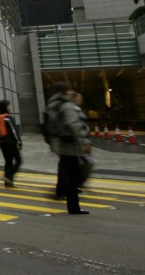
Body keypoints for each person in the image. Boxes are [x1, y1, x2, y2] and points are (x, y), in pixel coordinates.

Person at [44, 82, 91, 215]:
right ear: (65, 92)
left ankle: (66, 197)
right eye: (70, 90)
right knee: (75, 175)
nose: (72, 92)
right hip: (70, 145)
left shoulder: (52, 105)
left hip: (59, 144)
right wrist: (84, 143)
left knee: (68, 173)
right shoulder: (67, 105)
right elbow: (74, 125)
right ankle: (73, 206)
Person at [0, 100, 22, 187]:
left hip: (2, 143)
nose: (10, 107)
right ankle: (9, 177)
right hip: (10, 143)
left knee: (8, 161)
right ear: (6, 107)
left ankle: (8, 183)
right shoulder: (8, 117)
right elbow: (14, 131)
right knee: (18, 160)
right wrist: (19, 142)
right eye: (9, 106)